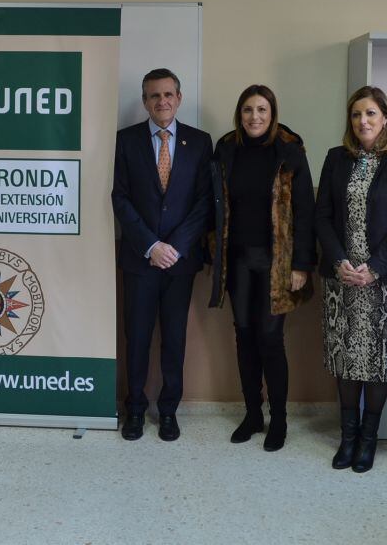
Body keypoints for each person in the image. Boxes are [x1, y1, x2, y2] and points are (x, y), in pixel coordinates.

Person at [314, 85, 387, 472]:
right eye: (357, 114)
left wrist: (374, 266)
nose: (363, 121)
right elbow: (322, 215)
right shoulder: (335, 159)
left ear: (386, 118)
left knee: (379, 360)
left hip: (385, 279)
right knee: (345, 358)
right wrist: (340, 260)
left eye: (371, 113)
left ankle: (368, 440)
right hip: (341, 276)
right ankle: (347, 437)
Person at [208, 85, 315, 451]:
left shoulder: (289, 151)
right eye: (248, 110)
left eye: (262, 110)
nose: (255, 117)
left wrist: (301, 264)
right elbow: (215, 205)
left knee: (270, 339)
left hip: (277, 262)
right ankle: (253, 414)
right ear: (240, 113)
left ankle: (279, 420)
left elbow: (305, 210)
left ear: (273, 114)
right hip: (237, 259)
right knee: (244, 336)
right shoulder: (226, 148)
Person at [112, 68, 212, 441]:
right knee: (136, 337)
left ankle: (168, 411)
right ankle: (135, 409)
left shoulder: (200, 143)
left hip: (180, 262)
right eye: (154, 96)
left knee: (174, 338)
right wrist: (152, 246)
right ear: (145, 101)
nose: (162, 102)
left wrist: (174, 248)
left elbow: (204, 203)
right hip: (140, 259)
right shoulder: (126, 141)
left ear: (179, 98)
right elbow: (119, 198)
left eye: (168, 94)